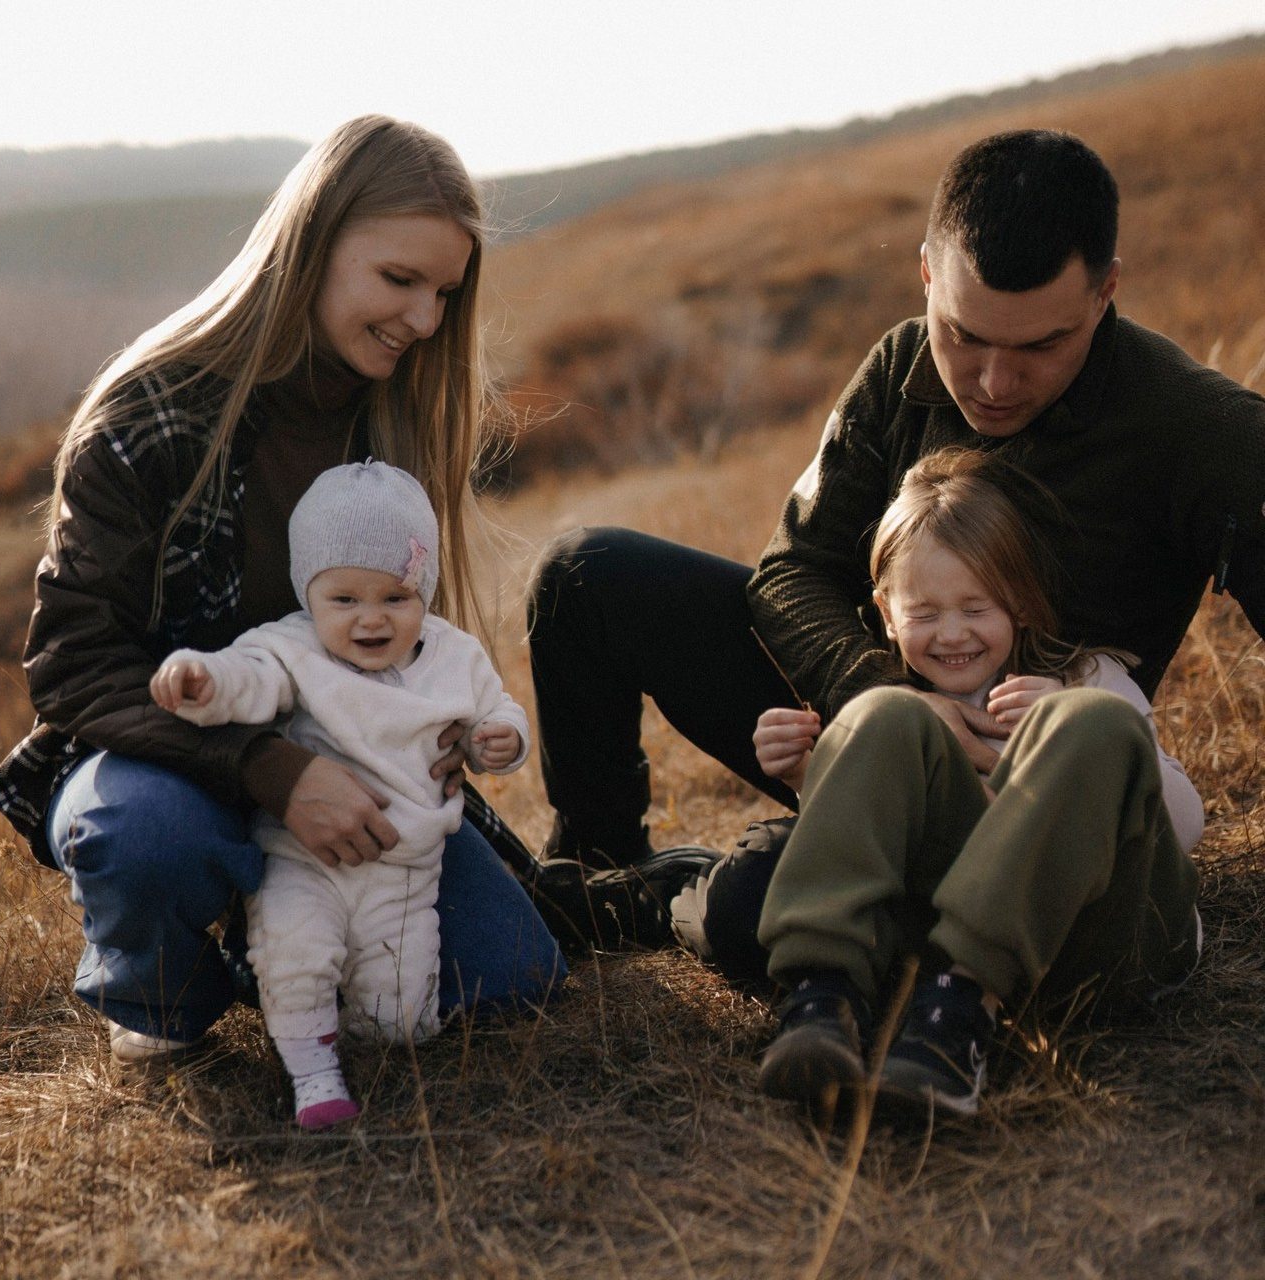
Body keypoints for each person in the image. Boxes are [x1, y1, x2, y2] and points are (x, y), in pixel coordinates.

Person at [525, 127, 1265, 978]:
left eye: (1039, 347)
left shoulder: (1196, 425)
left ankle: (698, 895)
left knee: (755, 916)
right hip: (857, 727)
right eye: (964, 334)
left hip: (1020, 790)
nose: (991, 381)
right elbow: (794, 572)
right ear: (925, 275)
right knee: (585, 573)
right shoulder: (898, 365)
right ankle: (598, 881)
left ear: (1106, 294)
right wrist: (883, 703)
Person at [0, 115, 565, 1066]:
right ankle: (161, 976)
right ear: (312, 241)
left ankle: (287, 949)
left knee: (508, 976)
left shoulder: (396, 417)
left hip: (356, 764)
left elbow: (405, 630)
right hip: (171, 762)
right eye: (398, 280)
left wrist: (433, 725)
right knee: (148, 837)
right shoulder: (150, 418)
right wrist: (274, 772)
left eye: (442, 293)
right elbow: (75, 663)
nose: (424, 320)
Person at [751, 447, 1203, 1121]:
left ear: (1019, 602)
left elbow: (1184, 822)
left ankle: (954, 1020)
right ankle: (824, 996)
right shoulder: (904, 718)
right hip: (964, 951)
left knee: (1091, 724)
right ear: (884, 613)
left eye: (975, 606)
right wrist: (807, 775)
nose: (953, 633)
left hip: (1114, 942)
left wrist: (1059, 741)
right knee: (878, 714)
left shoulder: (1085, 679)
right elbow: (877, 848)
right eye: (925, 612)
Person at [151, 461, 531, 1128]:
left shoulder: (452, 654)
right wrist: (204, 678)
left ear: (425, 591)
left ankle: (356, 1029)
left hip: (404, 873)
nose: (371, 620)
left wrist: (497, 738)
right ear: (309, 595)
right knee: (299, 955)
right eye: (345, 600)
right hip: (305, 860)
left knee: (401, 1019)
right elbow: (249, 677)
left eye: (395, 598)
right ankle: (313, 1072)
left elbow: (495, 709)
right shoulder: (294, 649)